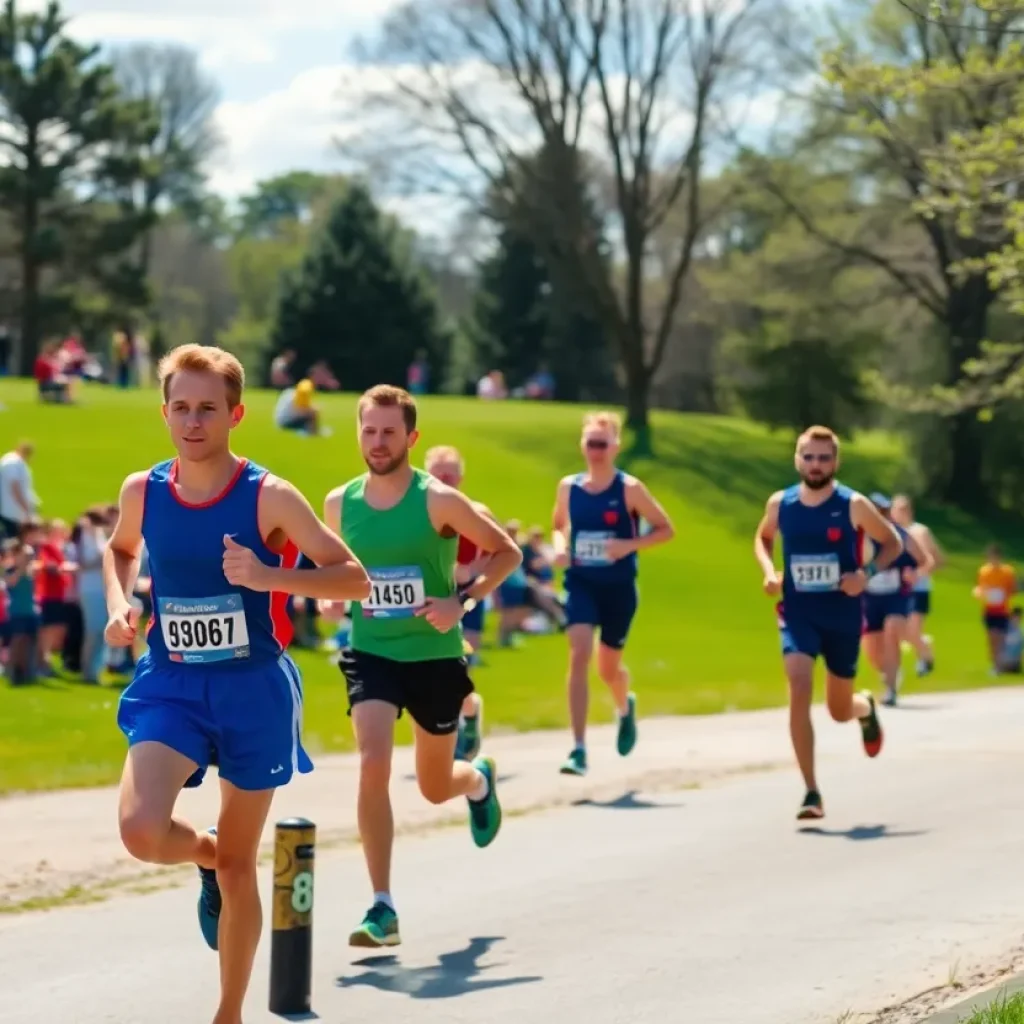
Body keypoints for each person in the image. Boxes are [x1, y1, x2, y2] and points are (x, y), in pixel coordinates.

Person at [104, 343, 370, 1024]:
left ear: (235, 414)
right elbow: (120, 549)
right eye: (181, 408)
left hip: (253, 689)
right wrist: (120, 603)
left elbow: (351, 578)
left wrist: (268, 575)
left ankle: (228, 1014)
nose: (193, 422)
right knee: (140, 830)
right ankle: (197, 850)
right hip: (171, 682)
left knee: (239, 865)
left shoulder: (269, 496)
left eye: (208, 409)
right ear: (165, 412)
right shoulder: (145, 491)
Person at [322, 384, 522, 949]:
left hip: (434, 656)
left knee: (436, 786)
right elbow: (334, 570)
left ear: (411, 438)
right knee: (372, 764)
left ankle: (478, 780)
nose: (378, 441)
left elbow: (508, 552)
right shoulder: (340, 503)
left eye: (389, 432)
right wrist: (331, 597)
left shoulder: (438, 500)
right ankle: (382, 907)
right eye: (369, 430)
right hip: (371, 653)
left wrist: (461, 601)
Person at [753, 425, 903, 821]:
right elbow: (763, 537)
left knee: (838, 709)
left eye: (823, 458)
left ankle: (864, 708)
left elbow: (893, 543)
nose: (815, 465)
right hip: (798, 613)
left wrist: (865, 573)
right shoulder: (780, 503)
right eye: (808, 456)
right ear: (797, 459)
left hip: (842, 616)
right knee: (798, 683)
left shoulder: (853, 504)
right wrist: (770, 570)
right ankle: (811, 791)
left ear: (835, 462)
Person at [551, 410, 675, 776]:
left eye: (603, 444)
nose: (596, 450)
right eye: (591, 443)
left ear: (616, 447)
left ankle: (624, 706)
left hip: (618, 589)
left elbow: (666, 528)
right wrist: (560, 546)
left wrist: (629, 545)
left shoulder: (629, 489)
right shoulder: (568, 487)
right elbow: (559, 524)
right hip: (581, 583)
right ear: (582, 445)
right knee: (578, 654)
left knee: (607, 669)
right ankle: (578, 748)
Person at [423, 444, 495, 759]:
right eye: (437, 475)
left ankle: (465, 717)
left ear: (460, 478)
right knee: (434, 669)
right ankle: (463, 717)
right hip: (431, 600)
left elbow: (501, 551)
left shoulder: (476, 512)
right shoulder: (419, 515)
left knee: (456, 665)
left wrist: (474, 571)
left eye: (450, 476)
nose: (444, 481)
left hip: (467, 600)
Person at [861, 493, 932, 708]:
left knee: (892, 628)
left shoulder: (901, 535)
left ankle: (891, 690)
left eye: (883, 511)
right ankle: (890, 672)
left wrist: (916, 574)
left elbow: (924, 561)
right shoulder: (858, 535)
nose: (880, 516)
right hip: (868, 597)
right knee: (872, 649)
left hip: (895, 595)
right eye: (875, 511)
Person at [890, 494, 943, 676]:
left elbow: (936, 560)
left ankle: (925, 658)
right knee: (901, 631)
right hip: (897, 589)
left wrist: (918, 574)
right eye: (896, 509)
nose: (899, 513)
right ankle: (924, 645)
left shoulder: (920, 531)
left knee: (912, 630)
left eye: (903, 509)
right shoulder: (892, 532)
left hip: (919, 588)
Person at [973, 545, 1017, 675]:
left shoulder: (1007, 572)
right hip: (989, 609)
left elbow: (1013, 588)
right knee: (992, 638)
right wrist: (984, 594)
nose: (993, 560)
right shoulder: (984, 571)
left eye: (995, 558)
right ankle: (995, 664)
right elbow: (980, 588)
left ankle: (1000, 665)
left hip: (1003, 610)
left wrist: (1003, 594)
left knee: (1001, 638)